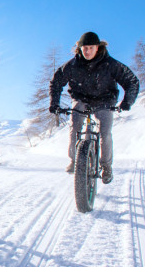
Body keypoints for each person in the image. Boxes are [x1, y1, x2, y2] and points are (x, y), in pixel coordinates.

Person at [49, 31, 139, 184]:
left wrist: (126, 102)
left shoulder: (110, 64)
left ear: (98, 48)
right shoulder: (72, 65)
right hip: (81, 99)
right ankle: (74, 161)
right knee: (75, 127)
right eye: (84, 48)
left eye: (91, 48)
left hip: (104, 101)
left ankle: (106, 166)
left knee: (105, 133)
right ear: (79, 48)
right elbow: (56, 82)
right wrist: (54, 104)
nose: (87, 51)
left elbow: (131, 81)